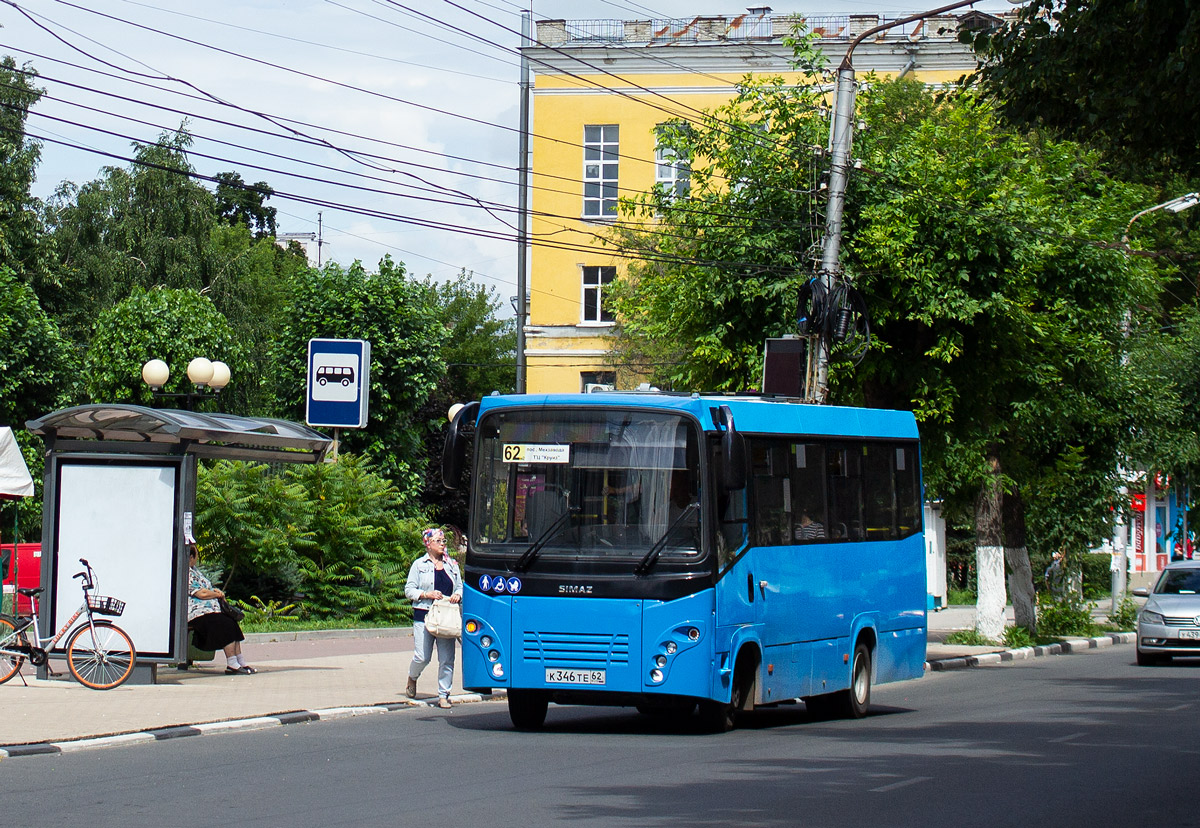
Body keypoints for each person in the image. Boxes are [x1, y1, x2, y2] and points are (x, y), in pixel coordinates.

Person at [404, 527, 463, 708]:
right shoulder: (419, 565)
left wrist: (458, 595)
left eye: (444, 541)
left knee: (446, 658)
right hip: (424, 615)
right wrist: (426, 594)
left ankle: (443, 694)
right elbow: (409, 590)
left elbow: (460, 587)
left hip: (446, 616)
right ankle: (412, 677)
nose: (442, 544)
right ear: (428, 544)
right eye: (438, 541)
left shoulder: (452, 564)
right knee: (423, 656)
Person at [187, 543, 255, 675]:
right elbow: (201, 593)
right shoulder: (186, 573)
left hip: (209, 611)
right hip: (197, 613)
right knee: (224, 624)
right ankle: (232, 663)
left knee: (231, 622)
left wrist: (214, 591)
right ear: (190, 557)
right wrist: (217, 594)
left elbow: (206, 589)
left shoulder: (195, 571)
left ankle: (240, 661)